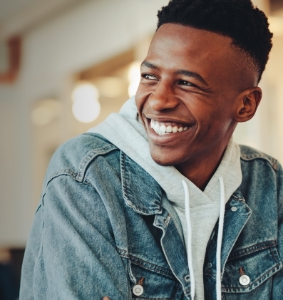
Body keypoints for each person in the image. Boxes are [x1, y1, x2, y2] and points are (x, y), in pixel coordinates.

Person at [20, 0, 280, 299]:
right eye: (150, 77)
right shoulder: (85, 174)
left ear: (245, 105)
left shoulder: (270, 185)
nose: (157, 101)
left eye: (186, 83)